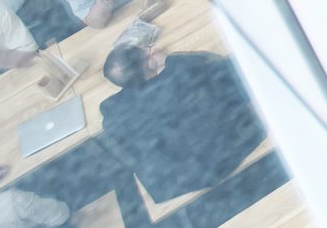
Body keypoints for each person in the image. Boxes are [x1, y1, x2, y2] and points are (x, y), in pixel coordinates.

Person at [98, 42, 267, 203]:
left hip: (182, 181)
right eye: (147, 51)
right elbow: (226, 70)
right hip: (233, 149)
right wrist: (168, 59)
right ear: (149, 62)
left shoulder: (113, 113)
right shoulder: (184, 69)